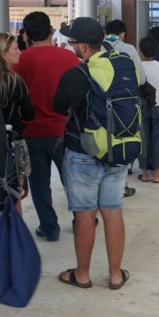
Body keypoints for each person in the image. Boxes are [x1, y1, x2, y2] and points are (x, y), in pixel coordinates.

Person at [53, 17, 130, 292]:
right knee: (113, 212)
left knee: (85, 215)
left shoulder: (76, 75)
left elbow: (58, 106)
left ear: (84, 47)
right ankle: (115, 275)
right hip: (119, 149)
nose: (70, 46)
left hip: (83, 153)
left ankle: (82, 274)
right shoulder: (124, 66)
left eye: (72, 42)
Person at [13, 11, 79, 242]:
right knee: (71, 180)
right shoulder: (69, 58)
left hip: (31, 131)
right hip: (63, 129)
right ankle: (81, 222)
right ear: (51, 30)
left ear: (27, 34)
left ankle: (49, 228)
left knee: (39, 185)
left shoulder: (19, 61)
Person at [0, 32, 36, 214]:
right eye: (15, 49)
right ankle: (15, 236)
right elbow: (29, 114)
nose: (20, 52)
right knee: (15, 195)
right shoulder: (15, 80)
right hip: (13, 142)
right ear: (3, 54)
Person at [137, 36, 159, 184]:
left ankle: (144, 174)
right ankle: (157, 175)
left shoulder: (136, 66)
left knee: (143, 139)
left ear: (141, 51)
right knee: (158, 140)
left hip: (142, 105)